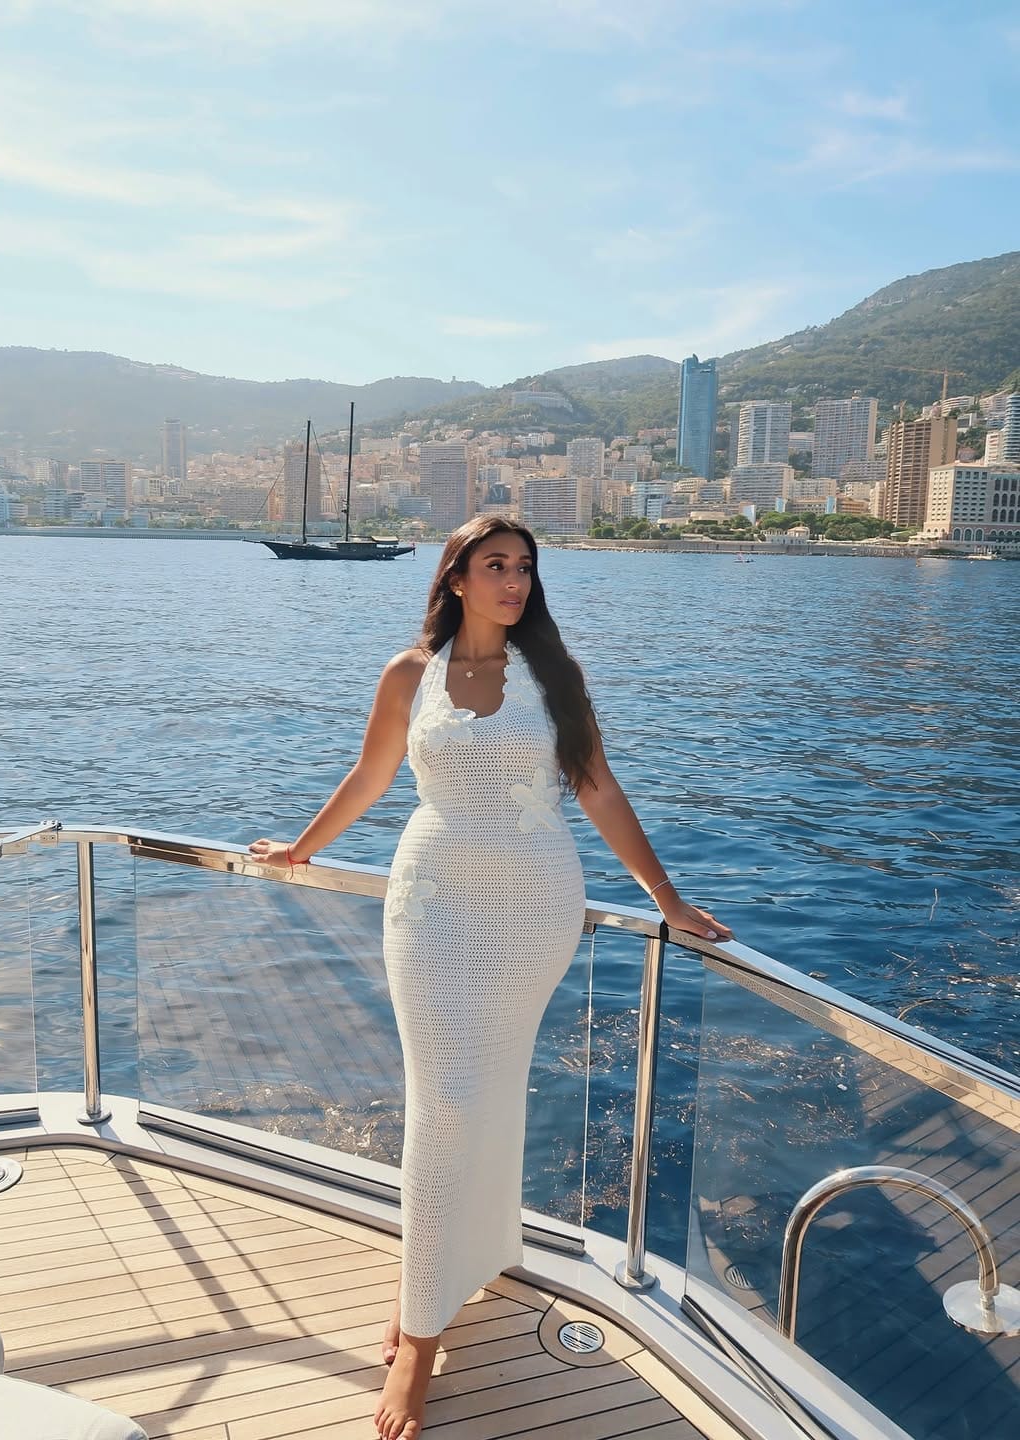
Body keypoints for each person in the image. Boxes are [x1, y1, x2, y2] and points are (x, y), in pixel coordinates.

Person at [249, 516, 731, 1440]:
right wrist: (303, 849)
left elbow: (598, 790)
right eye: (495, 566)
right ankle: (422, 1324)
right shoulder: (409, 674)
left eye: (525, 568)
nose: (514, 581)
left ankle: (439, 1280)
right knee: (447, 1104)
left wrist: (665, 897)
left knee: (488, 1095)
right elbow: (371, 774)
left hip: (533, 910)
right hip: (429, 902)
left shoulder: (556, 678)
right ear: (458, 577)